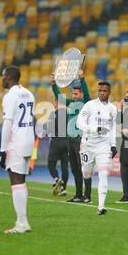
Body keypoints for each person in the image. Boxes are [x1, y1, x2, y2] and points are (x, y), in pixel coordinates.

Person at [0, 66, 35, 234]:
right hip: (28, 140)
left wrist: (2, 149)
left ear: (10, 77)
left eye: (3, 76)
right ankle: (23, 221)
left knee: (16, 180)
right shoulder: (29, 94)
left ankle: (22, 223)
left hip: (16, 142)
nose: (2, 79)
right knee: (21, 181)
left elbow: (7, 124)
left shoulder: (9, 96)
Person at [50, 70, 92, 202]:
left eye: (76, 94)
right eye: (72, 94)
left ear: (80, 94)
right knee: (75, 169)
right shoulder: (71, 103)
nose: (73, 96)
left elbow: (86, 94)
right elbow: (59, 96)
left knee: (84, 168)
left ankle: (88, 195)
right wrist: (53, 85)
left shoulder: (86, 103)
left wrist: (82, 79)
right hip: (71, 140)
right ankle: (78, 195)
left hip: (81, 140)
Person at [77, 80, 117, 215]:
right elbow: (79, 123)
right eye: (100, 90)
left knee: (103, 174)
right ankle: (87, 189)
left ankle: (101, 206)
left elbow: (112, 128)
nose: (102, 93)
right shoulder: (90, 105)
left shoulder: (113, 109)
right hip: (88, 144)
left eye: (105, 91)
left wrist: (113, 145)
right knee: (86, 172)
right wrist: (95, 129)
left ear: (109, 92)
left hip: (103, 146)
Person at [46, 98, 69, 196]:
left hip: (56, 142)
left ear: (56, 102)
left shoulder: (53, 114)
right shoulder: (69, 114)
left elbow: (50, 131)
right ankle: (63, 189)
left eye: (54, 101)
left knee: (51, 164)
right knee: (65, 166)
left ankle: (57, 179)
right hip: (67, 142)